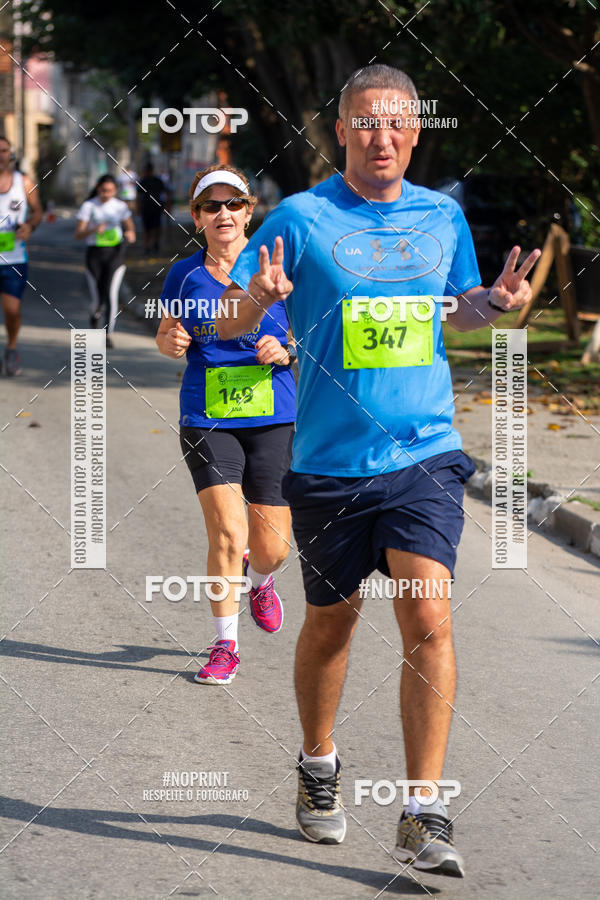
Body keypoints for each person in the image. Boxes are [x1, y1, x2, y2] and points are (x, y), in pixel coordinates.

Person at [217, 65, 540, 876]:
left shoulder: (444, 216)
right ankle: (318, 764)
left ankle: (422, 810)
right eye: (367, 122)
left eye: (397, 122)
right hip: (327, 463)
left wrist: (497, 304)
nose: (382, 136)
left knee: (428, 616)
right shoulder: (299, 216)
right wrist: (258, 299)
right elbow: (227, 316)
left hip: (423, 453)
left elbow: (457, 311)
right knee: (332, 621)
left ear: (417, 132)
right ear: (342, 131)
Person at [156, 164, 296, 685]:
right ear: (196, 218)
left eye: (233, 204)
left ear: (248, 210)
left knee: (272, 548)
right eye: (211, 206)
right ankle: (225, 645)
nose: (223, 214)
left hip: (274, 415)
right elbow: (170, 330)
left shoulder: (279, 269)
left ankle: (260, 581)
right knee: (227, 531)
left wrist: (286, 350)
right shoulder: (184, 276)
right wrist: (168, 342)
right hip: (207, 416)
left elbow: (312, 334)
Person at [75, 174, 136, 347]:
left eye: (109, 191)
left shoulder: (120, 207)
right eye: (102, 190)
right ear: (97, 188)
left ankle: (107, 335)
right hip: (94, 255)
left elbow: (130, 227)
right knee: (97, 299)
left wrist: (130, 234)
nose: (105, 194)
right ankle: (94, 319)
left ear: (115, 190)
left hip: (115, 255)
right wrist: (93, 229)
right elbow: (78, 234)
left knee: (111, 295)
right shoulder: (89, 206)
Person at [0, 135, 43, 375]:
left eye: (4, 150)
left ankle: (12, 347)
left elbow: (37, 211)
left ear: (11, 154)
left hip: (14, 258)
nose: (0, 155)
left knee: (12, 310)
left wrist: (30, 226)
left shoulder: (23, 182)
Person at [137, 163, 169, 255]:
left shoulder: (158, 181)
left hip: (157, 207)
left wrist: (167, 205)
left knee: (157, 227)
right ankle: (147, 246)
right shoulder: (143, 181)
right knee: (147, 229)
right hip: (146, 207)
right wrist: (138, 207)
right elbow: (139, 195)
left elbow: (166, 193)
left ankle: (156, 244)